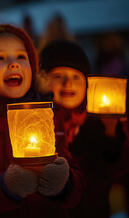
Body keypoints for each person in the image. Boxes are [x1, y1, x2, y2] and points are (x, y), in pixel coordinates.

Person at [0, 24, 82, 217]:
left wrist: (63, 184)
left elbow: (77, 191)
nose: (13, 64)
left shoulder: (49, 115)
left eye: (21, 57)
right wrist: (4, 188)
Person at [39, 39, 128, 217]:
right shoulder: (39, 120)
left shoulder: (99, 120)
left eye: (76, 77)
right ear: (43, 80)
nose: (67, 83)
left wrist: (111, 136)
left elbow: (119, 169)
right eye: (58, 76)